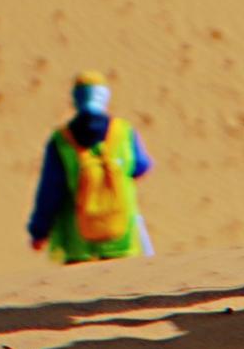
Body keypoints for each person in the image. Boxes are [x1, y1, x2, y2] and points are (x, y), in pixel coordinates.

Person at [26, 72, 155, 263]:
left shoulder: (62, 140)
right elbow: (142, 166)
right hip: (121, 236)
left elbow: (50, 190)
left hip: (77, 242)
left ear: (76, 98)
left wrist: (39, 232)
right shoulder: (124, 132)